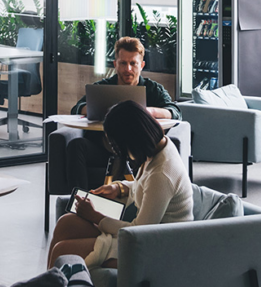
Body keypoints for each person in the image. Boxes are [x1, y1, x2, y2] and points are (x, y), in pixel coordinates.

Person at [48, 99, 193, 268]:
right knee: (66, 224)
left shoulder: (162, 173)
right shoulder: (158, 149)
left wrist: (95, 216)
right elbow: (147, 188)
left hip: (156, 247)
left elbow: (139, 230)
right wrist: (119, 188)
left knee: (62, 250)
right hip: (144, 235)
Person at [67, 36, 181, 184]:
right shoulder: (102, 87)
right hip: (105, 148)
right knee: (76, 146)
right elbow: (76, 108)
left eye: (133, 63)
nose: (128, 69)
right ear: (115, 64)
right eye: (123, 63)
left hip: (139, 150)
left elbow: (175, 112)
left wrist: (148, 112)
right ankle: (79, 202)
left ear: (142, 65)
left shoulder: (153, 89)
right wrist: (95, 108)